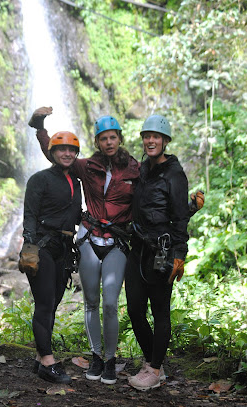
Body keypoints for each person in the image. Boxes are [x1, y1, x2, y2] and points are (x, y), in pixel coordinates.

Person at [29, 107, 204, 386]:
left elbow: (160, 202)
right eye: (103, 138)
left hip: (121, 241)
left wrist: (185, 218)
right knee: (99, 303)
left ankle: (119, 361)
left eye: (113, 137)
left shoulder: (137, 168)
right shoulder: (89, 167)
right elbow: (56, 154)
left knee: (112, 303)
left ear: (119, 139)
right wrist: (40, 128)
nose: (108, 142)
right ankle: (101, 357)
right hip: (93, 238)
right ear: (97, 142)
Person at [125, 114, 191, 391]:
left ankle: (153, 368)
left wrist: (180, 253)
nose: (150, 140)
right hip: (137, 248)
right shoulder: (141, 170)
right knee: (135, 310)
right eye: (146, 136)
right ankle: (156, 364)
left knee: (160, 310)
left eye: (156, 137)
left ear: (165, 141)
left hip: (162, 250)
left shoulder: (175, 174)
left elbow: (179, 218)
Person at [18, 129, 82, 384]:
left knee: (53, 303)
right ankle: (47, 362)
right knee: (44, 304)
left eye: (71, 150)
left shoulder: (76, 182)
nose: (67, 153)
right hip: (43, 247)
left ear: (76, 154)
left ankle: (38, 357)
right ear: (52, 152)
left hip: (65, 249)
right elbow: (30, 214)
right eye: (61, 149)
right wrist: (29, 246)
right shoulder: (39, 179)